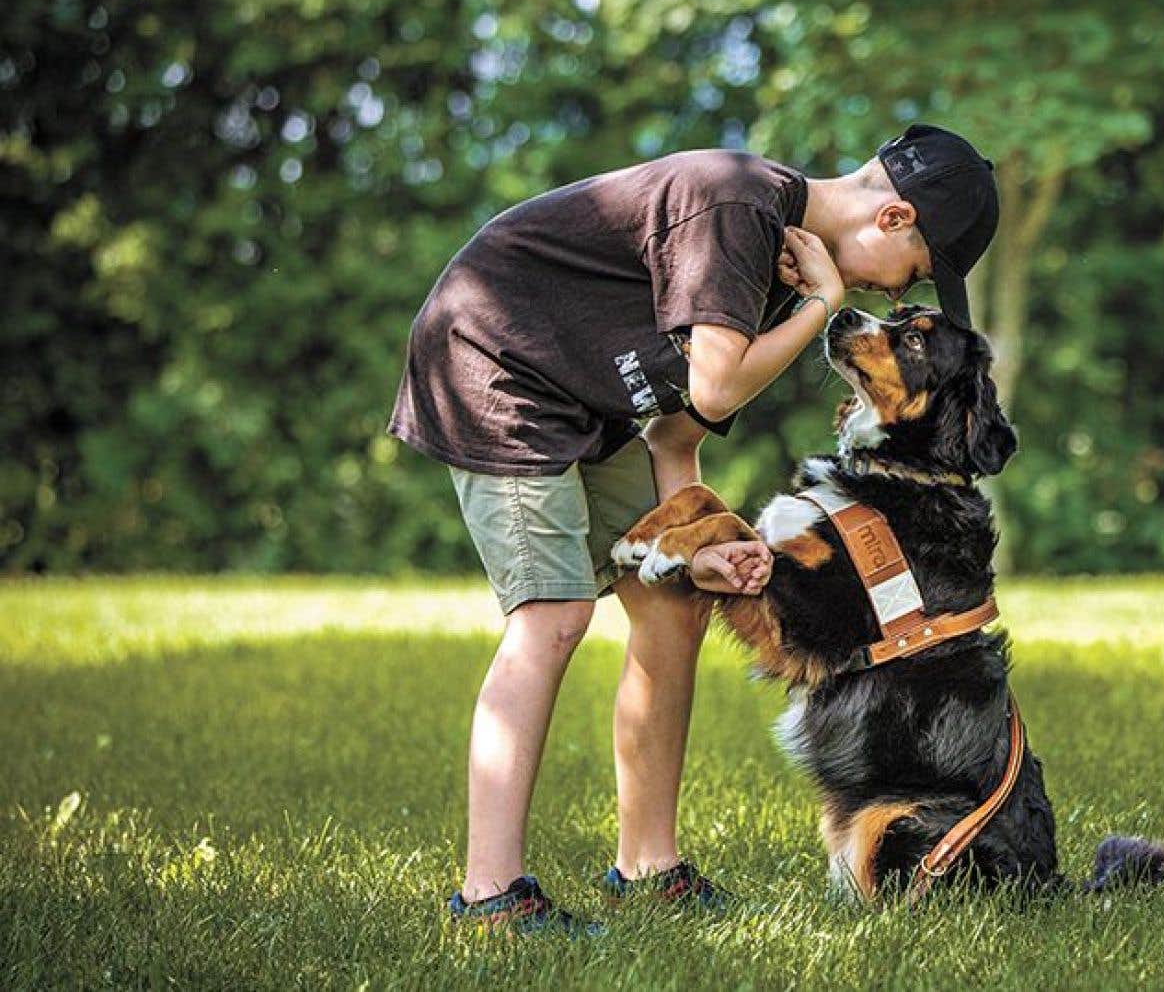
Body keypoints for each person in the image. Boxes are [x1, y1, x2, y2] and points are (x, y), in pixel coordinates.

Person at [387, 123, 999, 934]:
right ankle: (490, 897)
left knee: (673, 601)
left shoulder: (781, 259)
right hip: (494, 357)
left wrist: (701, 552)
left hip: (583, 399)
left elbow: (679, 433)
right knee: (554, 615)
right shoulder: (740, 209)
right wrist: (823, 304)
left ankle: (649, 865)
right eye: (914, 274)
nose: (896, 298)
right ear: (892, 219)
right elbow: (714, 387)